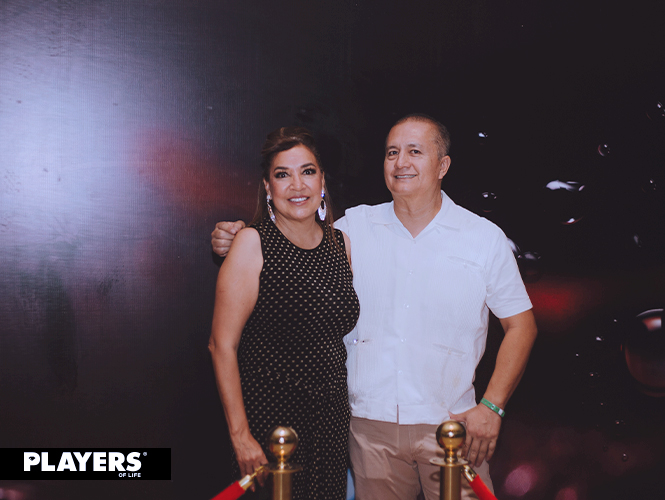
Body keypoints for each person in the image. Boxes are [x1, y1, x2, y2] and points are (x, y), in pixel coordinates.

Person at [212, 114, 537, 500]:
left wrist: (492, 407)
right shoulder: (353, 229)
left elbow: (522, 326)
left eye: (415, 152)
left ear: (443, 165)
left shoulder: (483, 238)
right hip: (368, 432)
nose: (401, 162)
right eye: (392, 152)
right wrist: (235, 236)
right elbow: (293, 239)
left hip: (452, 427)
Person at [208, 126, 360, 500]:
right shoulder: (253, 243)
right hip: (271, 423)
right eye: (282, 174)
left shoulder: (340, 244)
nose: (297, 185)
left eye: (307, 171)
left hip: (331, 421)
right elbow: (221, 345)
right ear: (268, 187)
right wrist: (241, 436)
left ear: (322, 181)